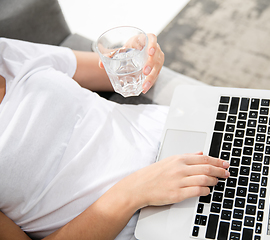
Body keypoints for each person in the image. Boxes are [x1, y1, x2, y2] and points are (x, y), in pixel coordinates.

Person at [0, 37, 230, 240]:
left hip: (180, 136)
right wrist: (132, 192)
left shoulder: (7, 51)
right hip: (142, 222)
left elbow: (118, 74)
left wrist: (138, 56)